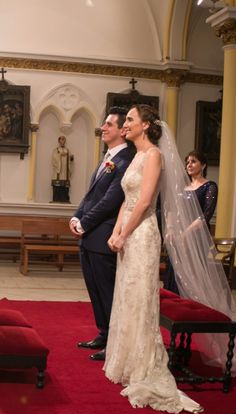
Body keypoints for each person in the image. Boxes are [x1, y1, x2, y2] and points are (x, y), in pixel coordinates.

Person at [104, 104, 203, 413]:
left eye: (131, 120)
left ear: (146, 125)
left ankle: (143, 364)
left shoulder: (154, 156)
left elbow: (145, 202)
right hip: (129, 233)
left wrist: (126, 233)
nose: (126, 125)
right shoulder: (134, 156)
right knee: (127, 296)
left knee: (141, 297)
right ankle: (125, 359)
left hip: (144, 234)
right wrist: (117, 231)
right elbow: (127, 200)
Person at [70, 107, 134, 361]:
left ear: (121, 130)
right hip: (89, 236)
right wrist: (76, 216)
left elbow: (110, 200)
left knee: (107, 290)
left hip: (104, 235)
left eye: (109, 124)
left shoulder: (126, 160)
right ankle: (103, 332)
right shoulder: (107, 157)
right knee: (94, 289)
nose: (103, 128)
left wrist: (84, 223)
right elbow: (91, 195)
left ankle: (114, 341)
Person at [163, 151, 218, 294]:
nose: (189, 165)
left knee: (192, 272)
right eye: (187, 162)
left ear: (203, 165)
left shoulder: (210, 186)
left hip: (196, 236)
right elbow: (171, 209)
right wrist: (169, 229)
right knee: (173, 270)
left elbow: (206, 215)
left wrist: (186, 233)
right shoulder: (181, 187)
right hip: (177, 235)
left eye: (193, 161)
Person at [52, 136, 74, 203]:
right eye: (61, 140)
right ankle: (56, 199)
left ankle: (65, 199)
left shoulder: (67, 150)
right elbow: (54, 159)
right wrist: (60, 155)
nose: (62, 142)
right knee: (58, 184)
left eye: (64, 140)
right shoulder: (56, 150)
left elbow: (70, 159)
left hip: (65, 171)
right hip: (59, 171)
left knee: (65, 184)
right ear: (59, 141)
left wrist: (71, 158)